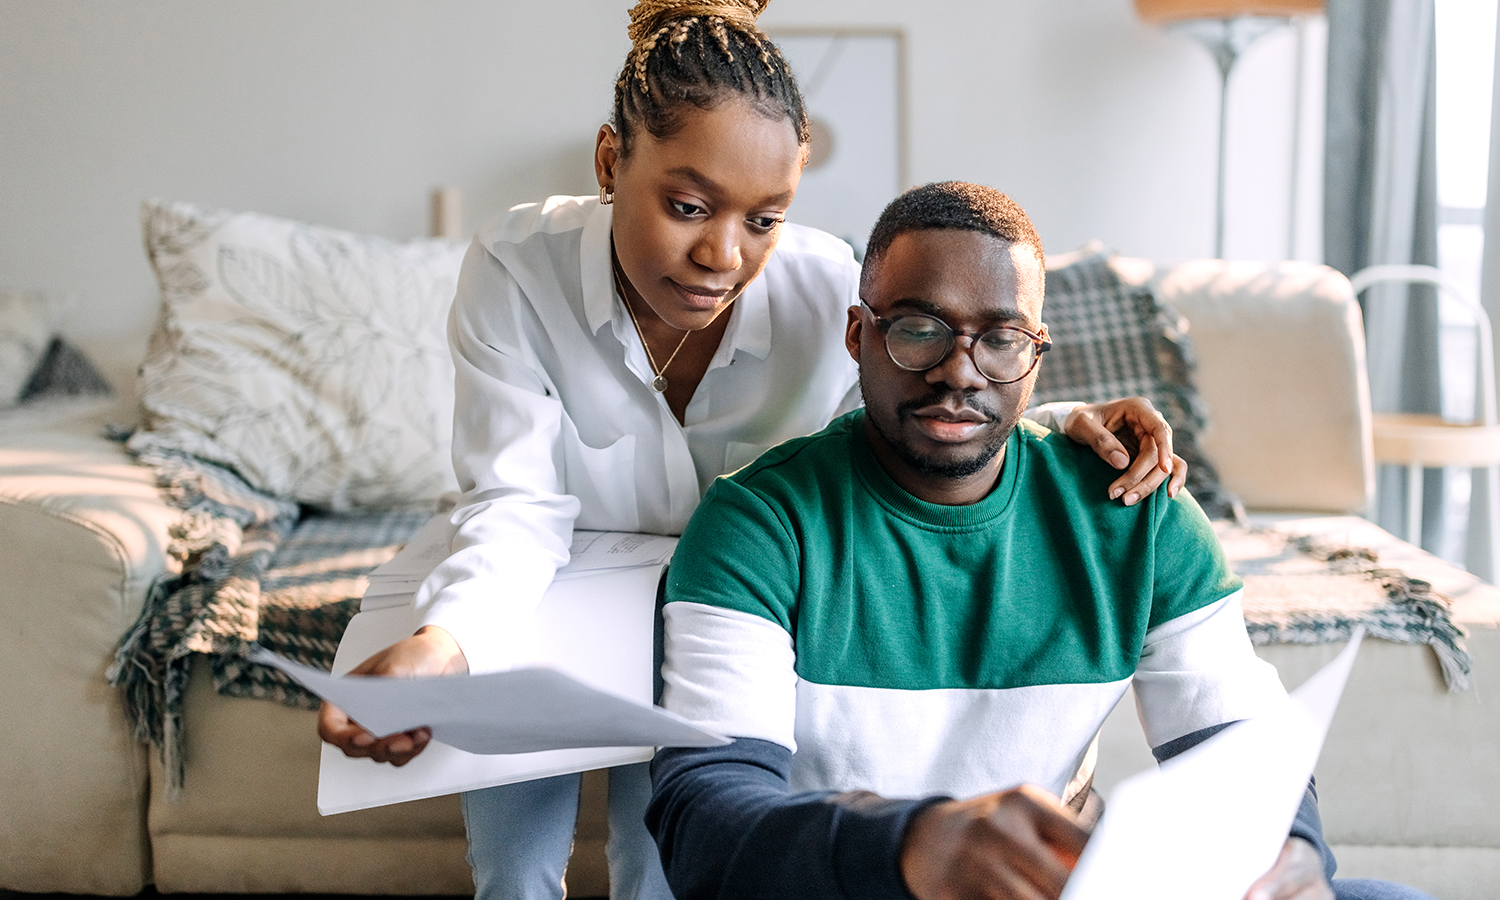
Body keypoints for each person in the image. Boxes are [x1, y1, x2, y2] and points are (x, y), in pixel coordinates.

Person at [318, 4, 1186, 899]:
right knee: (513, 860)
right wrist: (446, 640)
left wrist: (1059, 419)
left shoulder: (819, 289)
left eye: (764, 219)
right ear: (612, 162)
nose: (722, 256)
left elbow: (913, 420)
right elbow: (515, 506)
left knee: (661, 861)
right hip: (542, 592)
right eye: (688, 207)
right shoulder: (516, 267)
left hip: (726, 607)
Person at [646, 181, 1436, 900]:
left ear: (1036, 356)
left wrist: (1290, 852)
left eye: (1001, 339)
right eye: (920, 330)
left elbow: (1238, 746)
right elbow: (707, 823)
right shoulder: (757, 523)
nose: (961, 372)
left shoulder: (1137, 511)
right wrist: (912, 847)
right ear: (858, 334)